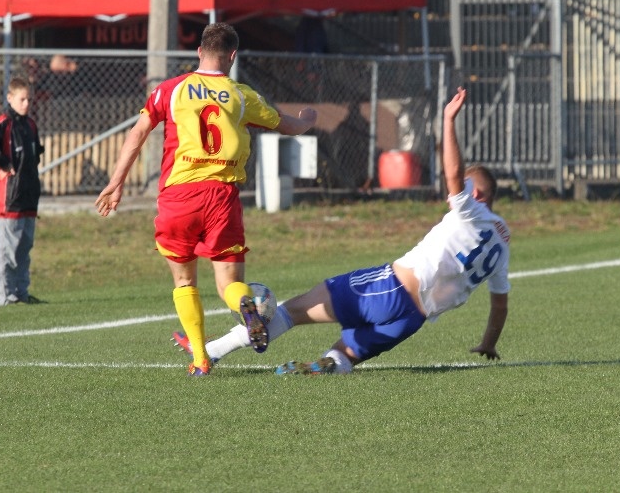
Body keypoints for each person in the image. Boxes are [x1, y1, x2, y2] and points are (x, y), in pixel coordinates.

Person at [172, 87, 511, 375]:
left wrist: (448, 120)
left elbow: (453, 173)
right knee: (346, 353)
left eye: (466, 187)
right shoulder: (502, 239)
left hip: (388, 289)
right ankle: (327, 365)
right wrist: (488, 343)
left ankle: (212, 350)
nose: (457, 191)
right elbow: (499, 305)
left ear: (477, 194)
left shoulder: (470, 212)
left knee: (294, 310)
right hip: (411, 322)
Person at [94, 22, 317, 377]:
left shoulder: (171, 89)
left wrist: (116, 182)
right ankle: (245, 304)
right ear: (232, 56)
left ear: (199, 52)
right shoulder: (241, 95)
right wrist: (307, 120)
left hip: (178, 197)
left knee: (184, 282)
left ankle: (200, 359)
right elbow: (286, 125)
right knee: (228, 285)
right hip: (222, 199)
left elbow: (138, 132)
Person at [0, 77, 46, 307]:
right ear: (10, 98)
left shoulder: (30, 124)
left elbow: (35, 155)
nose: (26, 103)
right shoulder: (3, 123)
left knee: (24, 248)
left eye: (29, 99)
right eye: (21, 99)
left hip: (28, 195)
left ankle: (21, 293)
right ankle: (4, 296)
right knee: (6, 250)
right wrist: (4, 166)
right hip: (7, 198)